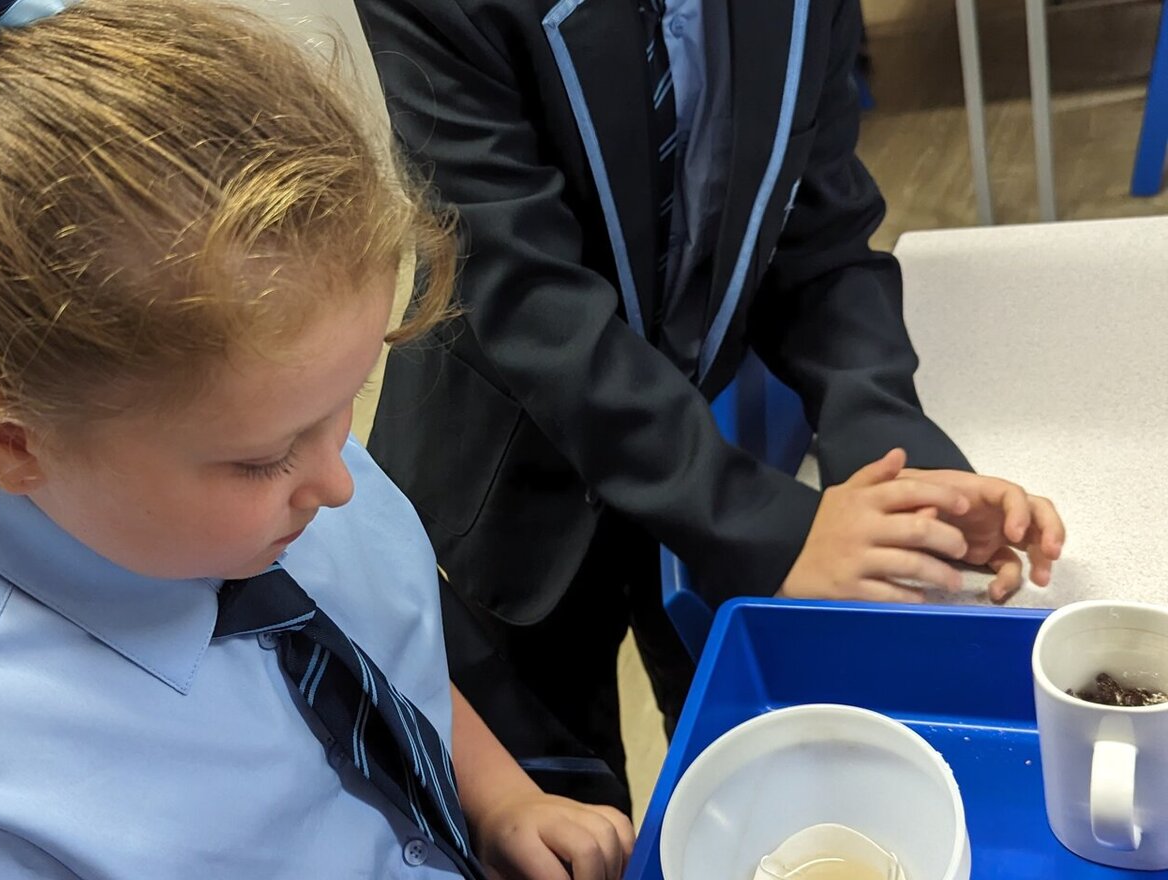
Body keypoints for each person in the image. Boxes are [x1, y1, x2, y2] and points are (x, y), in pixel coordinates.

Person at [0, 1, 635, 876]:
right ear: (7, 441)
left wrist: (502, 801)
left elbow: (378, 651)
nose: (338, 482)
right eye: (266, 456)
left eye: (347, 403)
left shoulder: (267, 448)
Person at [353, 0, 1066, 812]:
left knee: (732, 763)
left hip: (707, 452)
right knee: (568, 810)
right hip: (511, 482)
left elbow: (820, 235)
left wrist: (894, 457)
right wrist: (767, 525)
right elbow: (522, 291)